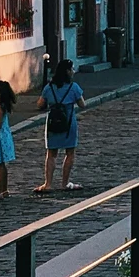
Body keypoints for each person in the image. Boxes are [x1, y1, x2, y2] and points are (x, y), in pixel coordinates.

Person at [35, 59, 85, 194]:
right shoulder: (73, 87)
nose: (73, 71)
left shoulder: (49, 87)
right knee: (70, 152)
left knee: (51, 153)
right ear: (67, 72)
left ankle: (48, 183)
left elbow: (40, 104)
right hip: (68, 122)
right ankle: (64, 183)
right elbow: (82, 105)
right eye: (72, 69)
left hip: (52, 122)